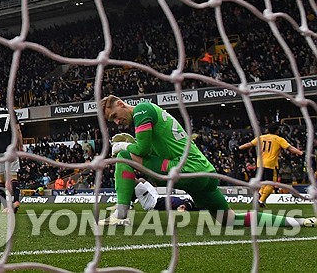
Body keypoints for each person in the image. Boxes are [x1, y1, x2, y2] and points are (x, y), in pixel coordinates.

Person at [97, 96, 314, 230]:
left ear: (121, 103)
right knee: (230, 220)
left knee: (123, 157)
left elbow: (141, 151)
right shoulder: (148, 116)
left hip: (186, 169)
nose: (117, 122)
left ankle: (121, 215)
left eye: (115, 115)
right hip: (204, 175)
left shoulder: (143, 110)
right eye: (112, 121)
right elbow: (148, 152)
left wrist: (124, 147)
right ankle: (300, 222)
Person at [238, 127, 305, 205]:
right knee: (271, 184)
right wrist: (301, 153)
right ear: (277, 131)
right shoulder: (278, 139)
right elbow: (290, 148)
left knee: (264, 183)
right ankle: (261, 200)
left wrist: (239, 147)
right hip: (270, 164)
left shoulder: (261, 138)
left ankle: (259, 193)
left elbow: (249, 144)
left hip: (260, 164)